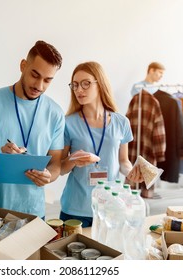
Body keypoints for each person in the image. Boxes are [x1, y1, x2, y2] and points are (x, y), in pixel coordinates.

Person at [0, 40, 65, 218]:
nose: (39, 86)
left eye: (47, 80)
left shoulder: (55, 113)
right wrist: (5, 161)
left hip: (33, 212)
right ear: (23, 65)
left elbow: (56, 164)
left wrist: (49, 176)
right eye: (35, 75)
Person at [60, 61, 143, 227]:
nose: (79, 90)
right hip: (75, 208)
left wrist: (130, 172)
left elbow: (123, 161)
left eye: (86, 84)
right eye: (75, 85)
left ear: (100, 84)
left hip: (110, 207)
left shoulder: (121, 122)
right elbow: (60, 168)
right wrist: (74, 160)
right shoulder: (67, 123)